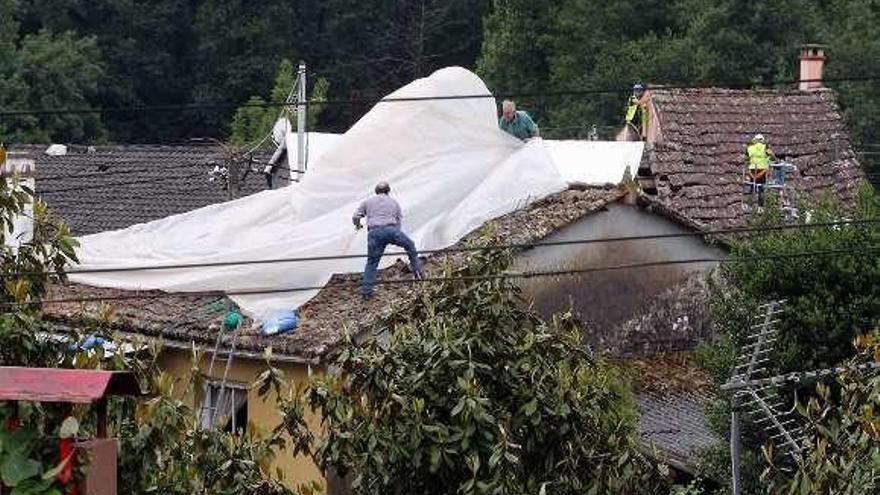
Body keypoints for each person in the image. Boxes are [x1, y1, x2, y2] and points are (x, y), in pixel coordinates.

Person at [353, 182, 423, 299]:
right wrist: (396, 235)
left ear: (376, 191)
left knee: (372, 262)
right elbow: (399, 220)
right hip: (391, 231)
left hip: (374, 233)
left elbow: (356, 217)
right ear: (388, 191)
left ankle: (366, 292)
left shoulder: (367, 202)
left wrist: (358, 225)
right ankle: (418, 273)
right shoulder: (394, 202)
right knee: (410, 245)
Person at [745, 134, 777, 206]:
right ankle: (761, 205)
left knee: (752, 187)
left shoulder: (749, 148)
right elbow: (772, 155)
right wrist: (773, 159)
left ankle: (750, 204)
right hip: (762, 169)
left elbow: (746, 159)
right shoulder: (765, 147)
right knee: (761, 188)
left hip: (752, 169)